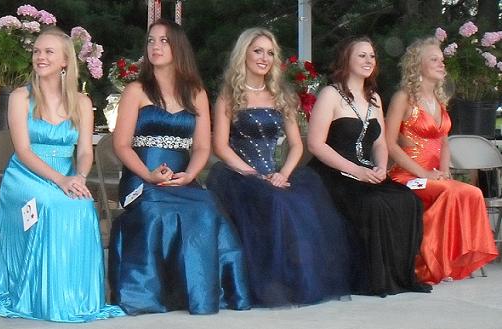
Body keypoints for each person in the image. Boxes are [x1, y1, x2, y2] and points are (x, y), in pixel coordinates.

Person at [108, 19, 250, 315]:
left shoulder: (196, 92)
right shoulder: (136, 90)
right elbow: (120, 144)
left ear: (179, 47)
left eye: (164, 41)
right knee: (155, 211)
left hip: (183, 179)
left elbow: (201, 147)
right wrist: (147, 174)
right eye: (151, 41)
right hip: (141, 178)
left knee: (207, 208)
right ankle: (149, 295)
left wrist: (190, 174)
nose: (155, 47)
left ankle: (198, 293)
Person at [0, 27, 124, 322]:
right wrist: (60, 181)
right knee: (50, 204)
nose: (40, 57)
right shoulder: (21, 98)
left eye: (48, 52)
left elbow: (85, 151)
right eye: (36, 51)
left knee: (83, 205)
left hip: (68, 173)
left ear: (65, 61)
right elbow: (23, 150)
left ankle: (76, 298)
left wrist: (79, 177)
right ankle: (42, 297)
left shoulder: (82, 103)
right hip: (25, 176)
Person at [205, 27, 352, 306]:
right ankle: (266, 285)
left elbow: (297, 145)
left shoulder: (280, 94)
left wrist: (282, 173)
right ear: (243, 54)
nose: (264, 58)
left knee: (301, 202)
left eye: (270, 53)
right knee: (275, 204)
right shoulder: (228, 96)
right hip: (240, 175)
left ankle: (294, 283)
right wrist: (254, 175)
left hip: (276, 174)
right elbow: (220, 146)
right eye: (257, 51)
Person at [306, 36, 431, 296]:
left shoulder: (374, 98)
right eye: (361, 55)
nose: (368, 60)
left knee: (408, 200)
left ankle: (397, 276)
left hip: (366, 171)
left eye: (372, 56)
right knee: (372, 205)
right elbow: (316, 145)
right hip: (332, 173)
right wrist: (356, 171)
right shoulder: (331, 94)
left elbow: (380, 144)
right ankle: (373, 279)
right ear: (346, 60)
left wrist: (381, 168)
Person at [386, 36, 499, 284]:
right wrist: (424, 174)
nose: (441, 64)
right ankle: (427, 265)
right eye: (434, 60)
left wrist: (444, 171)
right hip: (406, 176)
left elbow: (445, 143)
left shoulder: (439, 102)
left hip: (434, 176)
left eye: (442, 60)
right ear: (418, 66)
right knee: (449, 193)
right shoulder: (403, 98)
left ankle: (449, 260)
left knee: (472, 193)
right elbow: (390, 144)